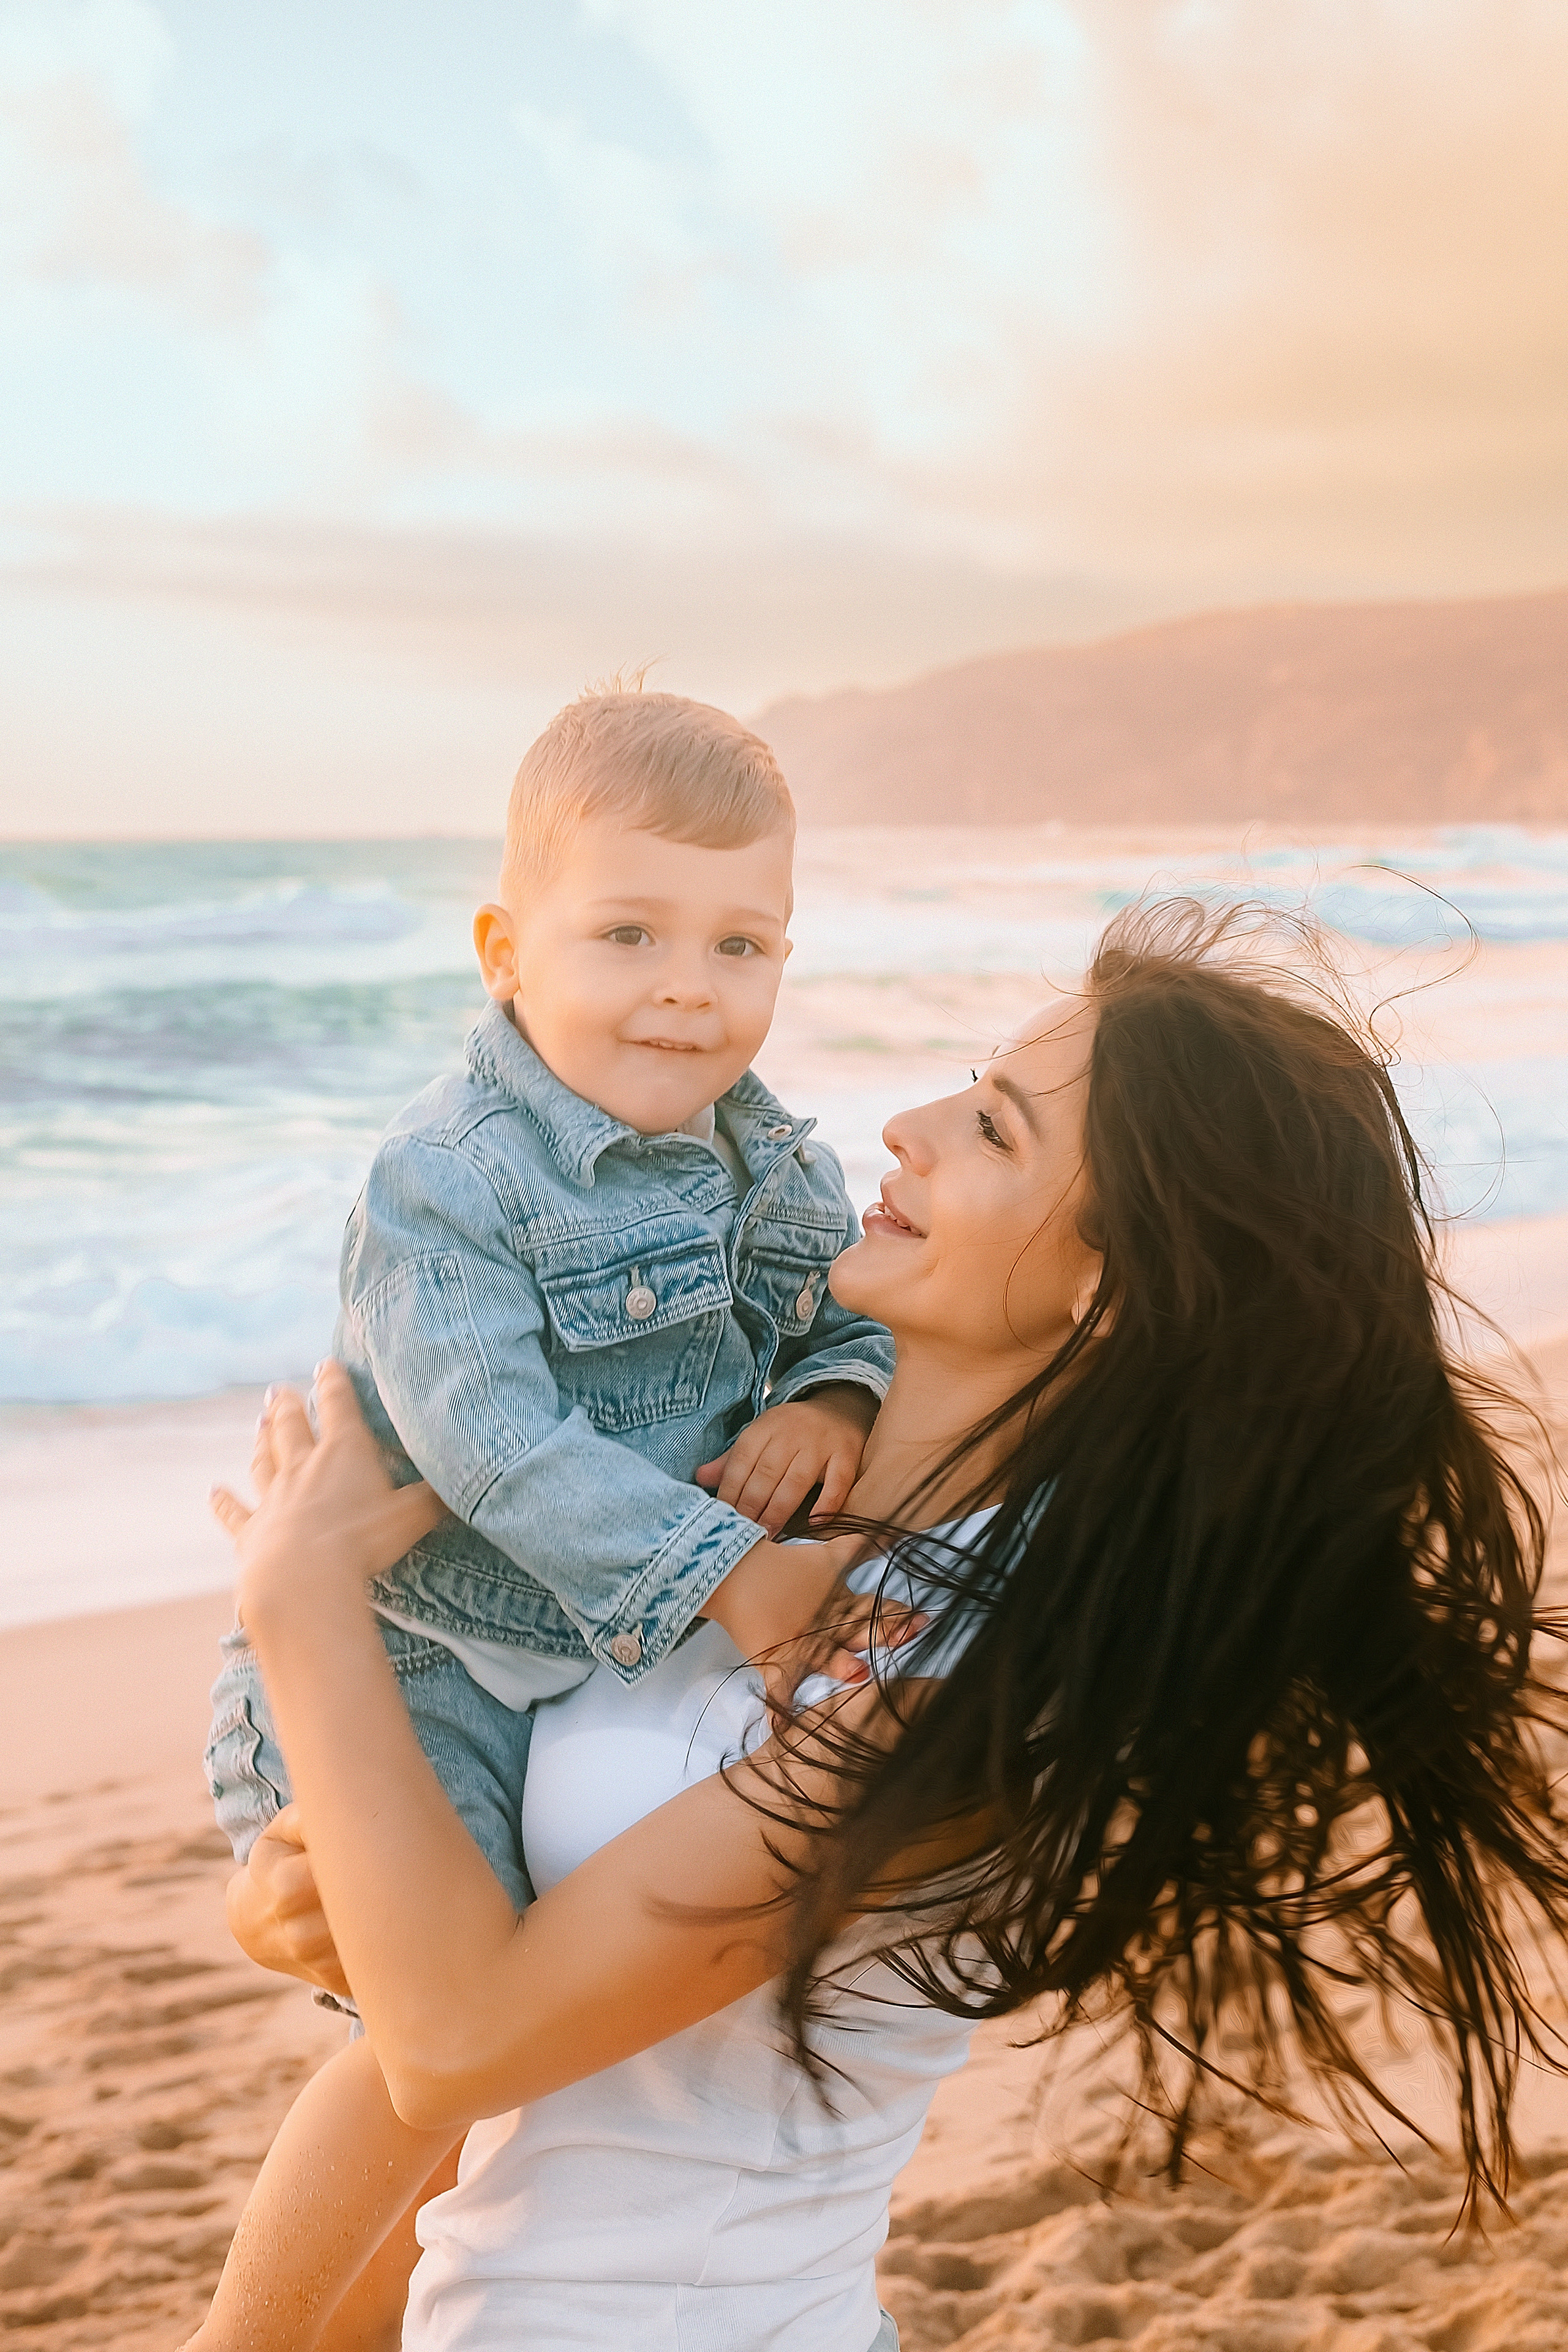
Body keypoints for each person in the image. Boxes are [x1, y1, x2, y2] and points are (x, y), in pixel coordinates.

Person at [192, 900, 1567, 2352]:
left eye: (992, 1131)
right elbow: (442, 2045)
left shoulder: (975, 1672)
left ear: (1111, 1288)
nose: (906, 1127)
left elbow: (460, 2044)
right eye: (963, 1087)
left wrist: (301, 1603)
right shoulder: (728, 1504)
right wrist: (310, 1905)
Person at [197, 689, 896, 2336]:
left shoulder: (781, 1170)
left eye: (741, 946)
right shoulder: (446, 1179)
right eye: (630, 933)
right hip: (421, 1658)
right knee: (425, 2032)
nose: (689, 986)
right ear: (506, 951)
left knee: (501, 2058)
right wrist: (730, 1576)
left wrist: (831, 1403)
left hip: (579, 1661)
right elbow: (494, 1446)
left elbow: (842, 1317)